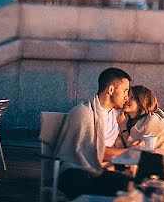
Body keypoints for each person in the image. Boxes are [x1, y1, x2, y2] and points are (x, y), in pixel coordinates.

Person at [54, 67, 134, 197]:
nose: (127, 96)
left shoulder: (118, 116)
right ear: (111, 89)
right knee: (82, 182)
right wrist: (133, 152)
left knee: (132, 185)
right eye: (125, 90)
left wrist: (123, 127)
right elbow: (94, 152)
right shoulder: (84, 113)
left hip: (101, 170)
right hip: (75, 169)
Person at [118, 85, 164, 151]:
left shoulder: (150, 121)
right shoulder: (123, 118)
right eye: (127, 96)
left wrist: (123, 127)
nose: (127, 99)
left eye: (132, 98)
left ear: (142, 102)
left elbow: (133, 148)